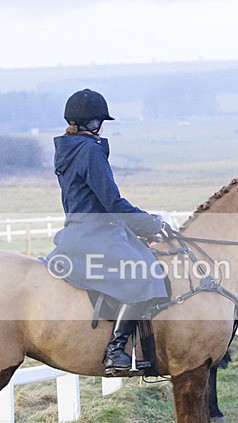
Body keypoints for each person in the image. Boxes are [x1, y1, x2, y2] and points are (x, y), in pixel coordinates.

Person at [48, 89, 168, 377]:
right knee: (144, 274)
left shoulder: (69, 148)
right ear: (95, 123)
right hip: (95, 234)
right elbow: (112, 202)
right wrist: (150, 224)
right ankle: (115, 351)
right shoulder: (89, 151)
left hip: (81, 230)